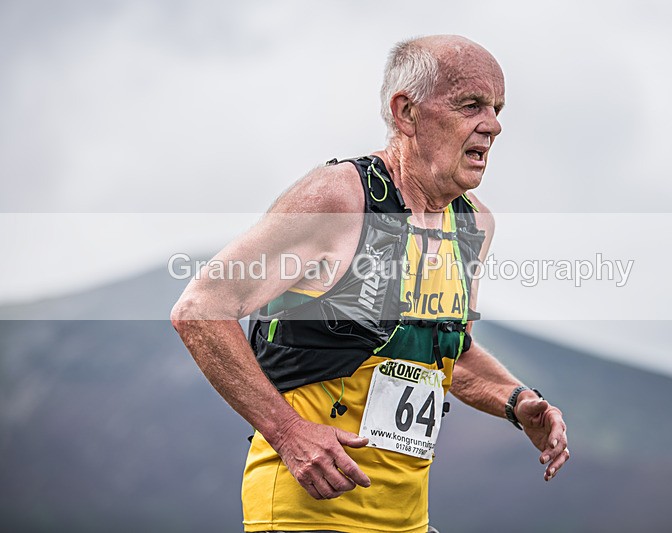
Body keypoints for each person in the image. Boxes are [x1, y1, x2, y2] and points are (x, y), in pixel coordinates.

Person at [171, 34, 569, 533]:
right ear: (406, 112)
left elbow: (449, 353)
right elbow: (200, 309)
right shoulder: (340, 200)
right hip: (306, 515)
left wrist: (516, 401)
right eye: (471, 105)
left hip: (407, 520)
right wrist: (287, 431)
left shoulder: (473, 224)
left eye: (496, 108)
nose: (492, 125)